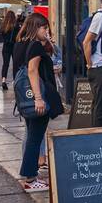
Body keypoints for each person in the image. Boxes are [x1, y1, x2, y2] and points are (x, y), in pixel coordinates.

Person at [16, 12, 63, 192]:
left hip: (27, 98)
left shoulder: (24, 44)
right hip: (36, 97)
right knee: (34, 139)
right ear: (36, 28)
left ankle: (30, 176)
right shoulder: (35, 46)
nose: (47, 31)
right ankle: (30, 178)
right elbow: (32, 71)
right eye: (44, 28)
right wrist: (38, 98)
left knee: (32, 137)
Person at [0, 10, 18, 89]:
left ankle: (3, 80)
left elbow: (3, 36)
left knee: (5, 64)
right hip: (14, 46)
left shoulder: (2, 26)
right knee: (15, 64)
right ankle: (15, 81)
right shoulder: (16, 26)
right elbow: (18, 37)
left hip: (6, 47)